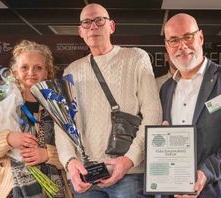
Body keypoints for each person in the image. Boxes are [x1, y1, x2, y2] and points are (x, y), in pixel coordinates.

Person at [55, 3, 162, 198]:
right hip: (86, 175)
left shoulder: (136, 58)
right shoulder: (71, 71)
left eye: (99, 20)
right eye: (86, 22)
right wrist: (70, 162)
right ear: (80, 31)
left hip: (129, 175)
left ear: (111, 26)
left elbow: (153, 114)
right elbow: (63, 124)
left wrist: (129, 159)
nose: (93, 26)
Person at [0, 40, 72, 198]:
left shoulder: (60, 107)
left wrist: (48, 155)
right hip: (8, 192)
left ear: (47, 72)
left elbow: (76, 154)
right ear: (14, 72)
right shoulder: (1, 105)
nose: (31, 72)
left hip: (53, 191)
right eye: (24, 67)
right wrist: (8, 139)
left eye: (38, 68)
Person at [160, 13, 221, 198]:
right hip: (173, 192)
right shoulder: (166, 89)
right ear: (167, 46)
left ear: (200, 37)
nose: (182, 46)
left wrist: (205, 173)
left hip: (217, 190)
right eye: (174, 40)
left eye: (188, 37)